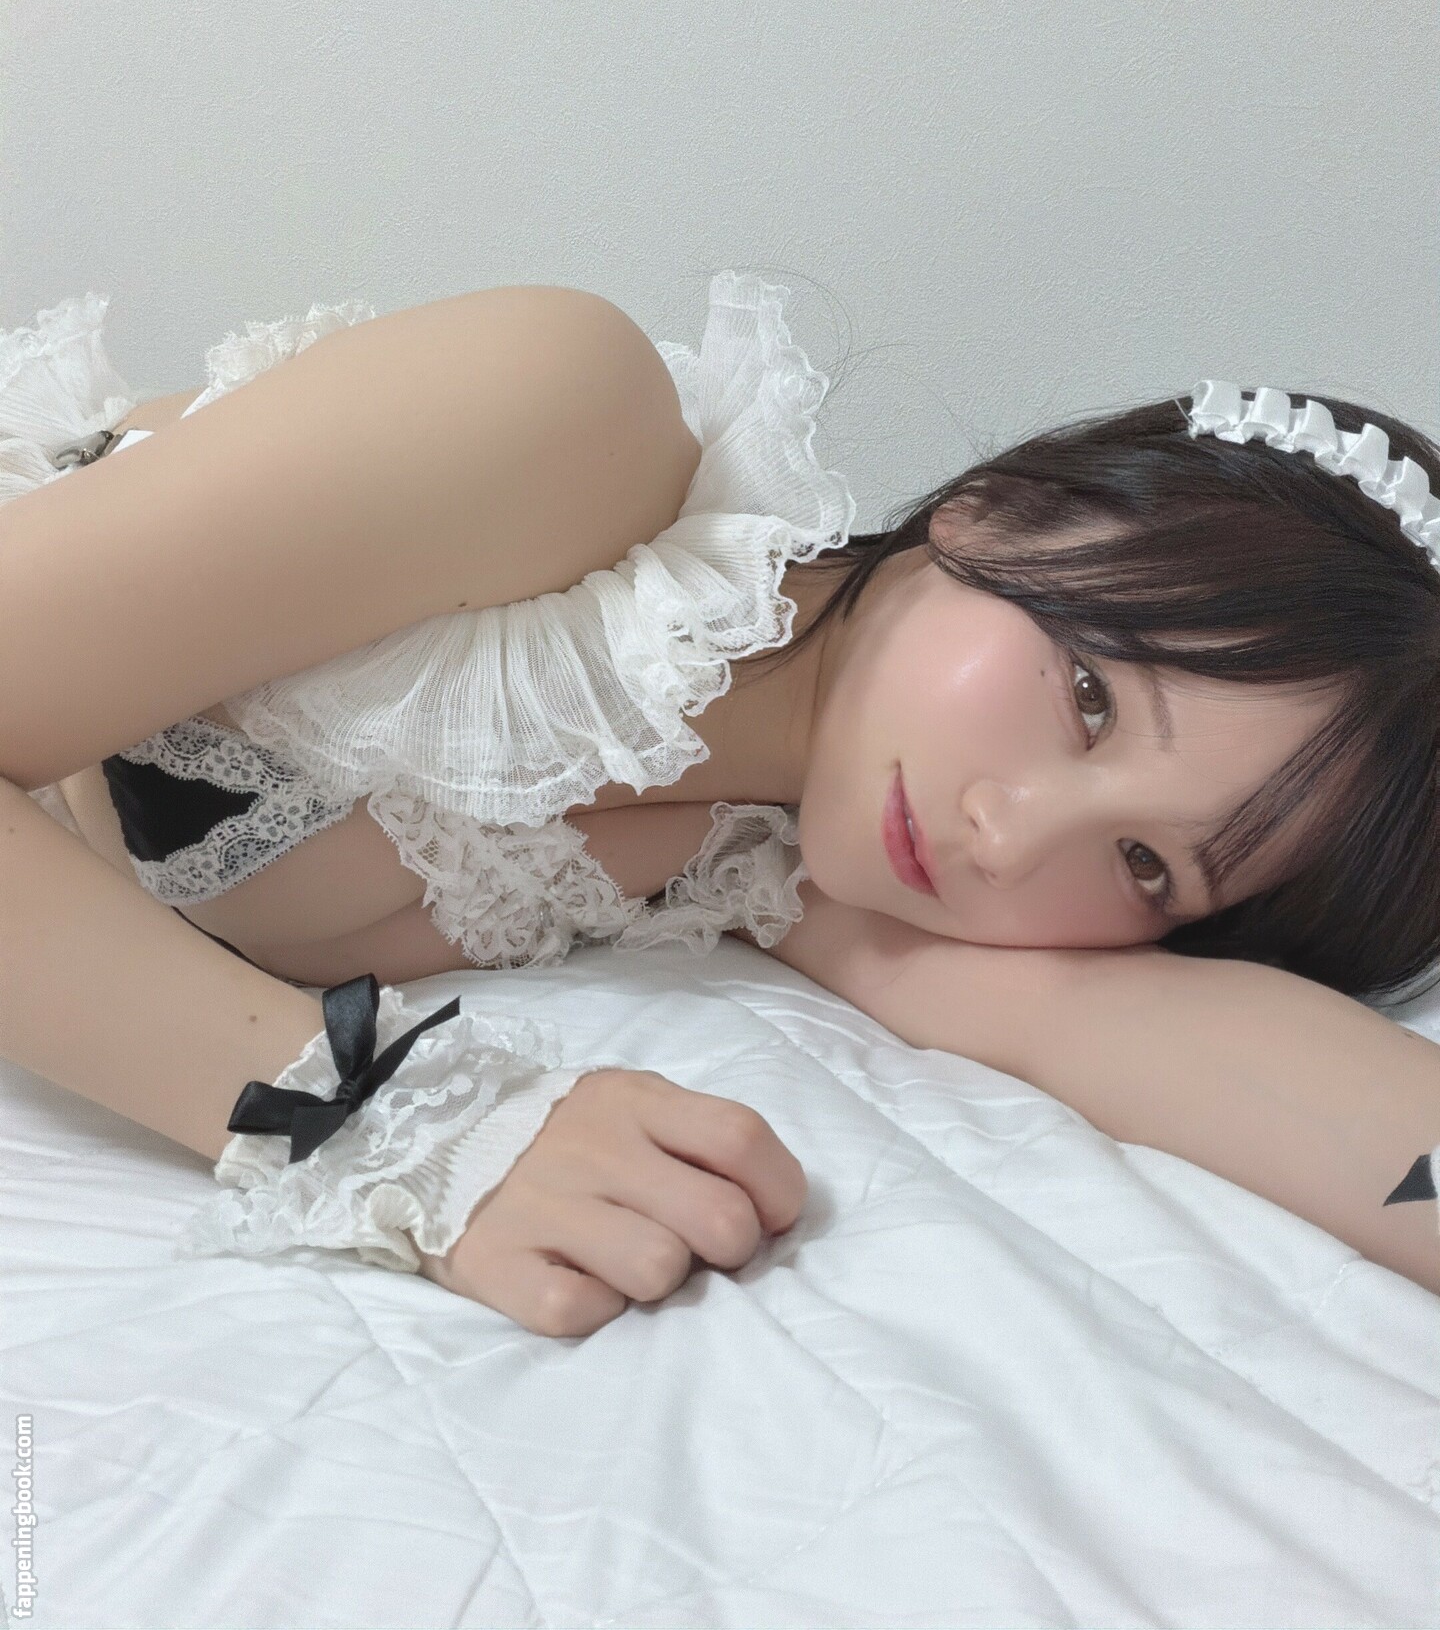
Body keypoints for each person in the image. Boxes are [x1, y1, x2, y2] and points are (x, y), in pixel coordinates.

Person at [0, 273, 1436, 1337]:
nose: (1008, 837)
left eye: (1145, 864)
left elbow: (1264, 1077)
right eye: (1090, 699)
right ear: (1012, 510)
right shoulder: (559, 423)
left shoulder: (777, 863)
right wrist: (389, 1125)